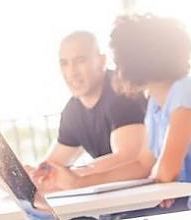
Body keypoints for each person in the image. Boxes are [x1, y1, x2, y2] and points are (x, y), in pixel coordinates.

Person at [41, 14, 191, 213]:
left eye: (119, 60)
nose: (116, 68)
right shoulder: (155, 106)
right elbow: (142, 165)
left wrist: (158, 175)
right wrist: (79, 182)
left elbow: (166, 170)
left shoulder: (187, 89)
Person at [29, 31, 148, 191]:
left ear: (101, 61)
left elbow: (130, 157)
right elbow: (53, 166)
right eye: (64, 63)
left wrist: (76, 175)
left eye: (80, 61)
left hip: (150, 201)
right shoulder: (73, 110)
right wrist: (31, 175)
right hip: (114, 202)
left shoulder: (122, 92)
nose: (72, 72)